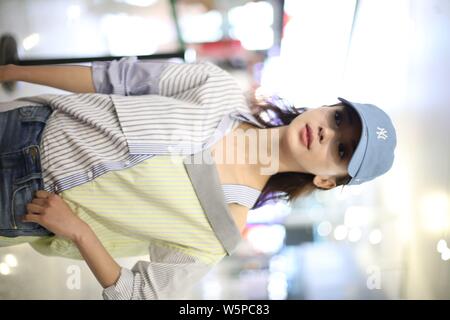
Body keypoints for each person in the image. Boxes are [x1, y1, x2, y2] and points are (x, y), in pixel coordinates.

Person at [0, 57, 397, 299]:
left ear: (326, 181)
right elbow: (111, 79)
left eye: (341, 150)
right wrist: (14, 70)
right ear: (326, 107)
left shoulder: (224, 224)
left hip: (24, 201)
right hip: (26, 123)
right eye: (338, 118)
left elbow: (142, 294)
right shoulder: (219, 89)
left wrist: (80, 232)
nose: (327, 131)